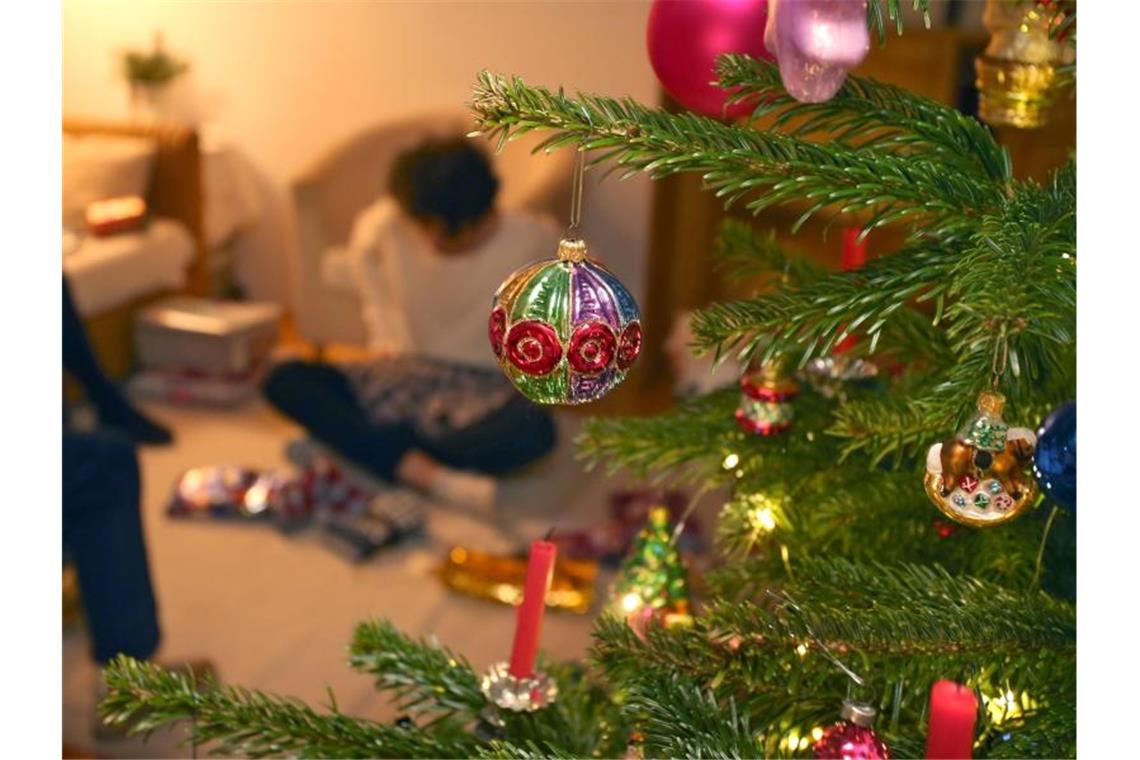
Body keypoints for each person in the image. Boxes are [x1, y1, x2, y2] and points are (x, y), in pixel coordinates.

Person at [263, 137, 559, 509]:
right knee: (282, 378)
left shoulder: (534, 238)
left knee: (535, 431)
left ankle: (365, 448)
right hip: (403, 375)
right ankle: (426, 474)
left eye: (452, 231)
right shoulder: (385, 224)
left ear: (485, 211)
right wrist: (386, 343)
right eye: (426, 226)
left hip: (481, 389)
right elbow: (369, 280)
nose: (435, 240)